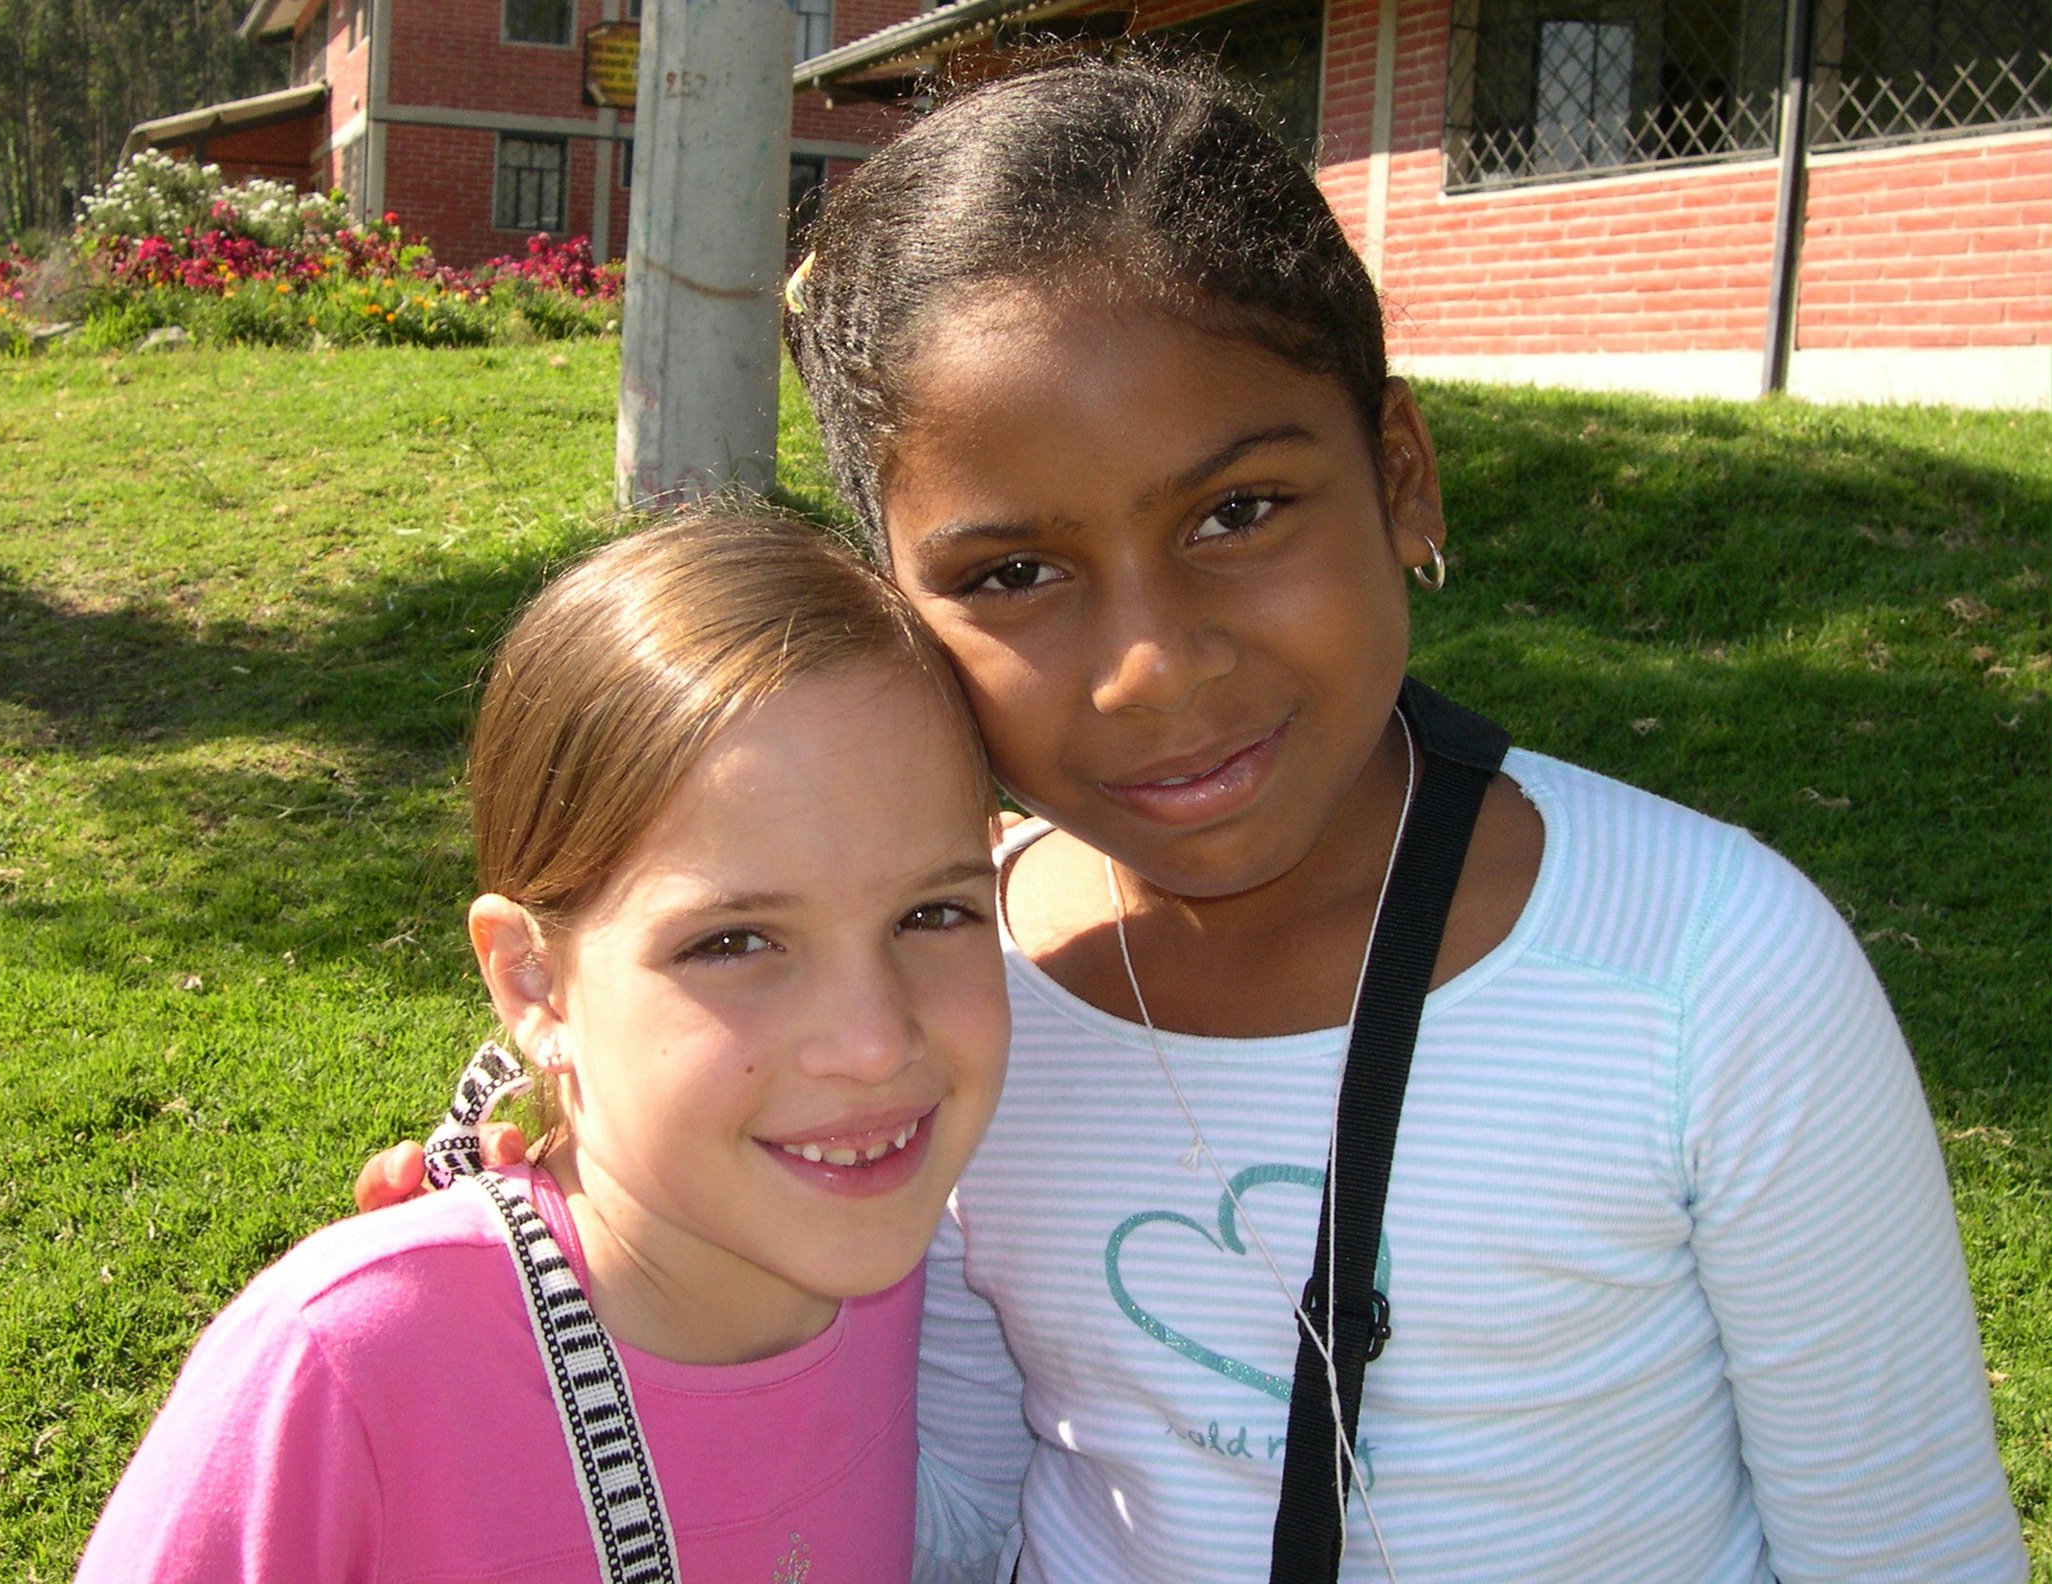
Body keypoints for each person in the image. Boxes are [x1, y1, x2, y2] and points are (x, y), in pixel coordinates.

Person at [364, 59, 2027, 1584]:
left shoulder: (1712, 973)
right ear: (903, 611)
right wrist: (631, 1307)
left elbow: (1906, 1549)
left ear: (1402, 478)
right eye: (1014, 573)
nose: (1153, 668)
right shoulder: (937, 1006)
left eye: (1240, 509)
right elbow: (942, 1506)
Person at [78, 506, 1012, 1583]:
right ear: (532, 979)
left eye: (933, 916)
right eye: (736, 942)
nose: (870, 1041)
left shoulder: (928, 1275)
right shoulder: (342, 1370)